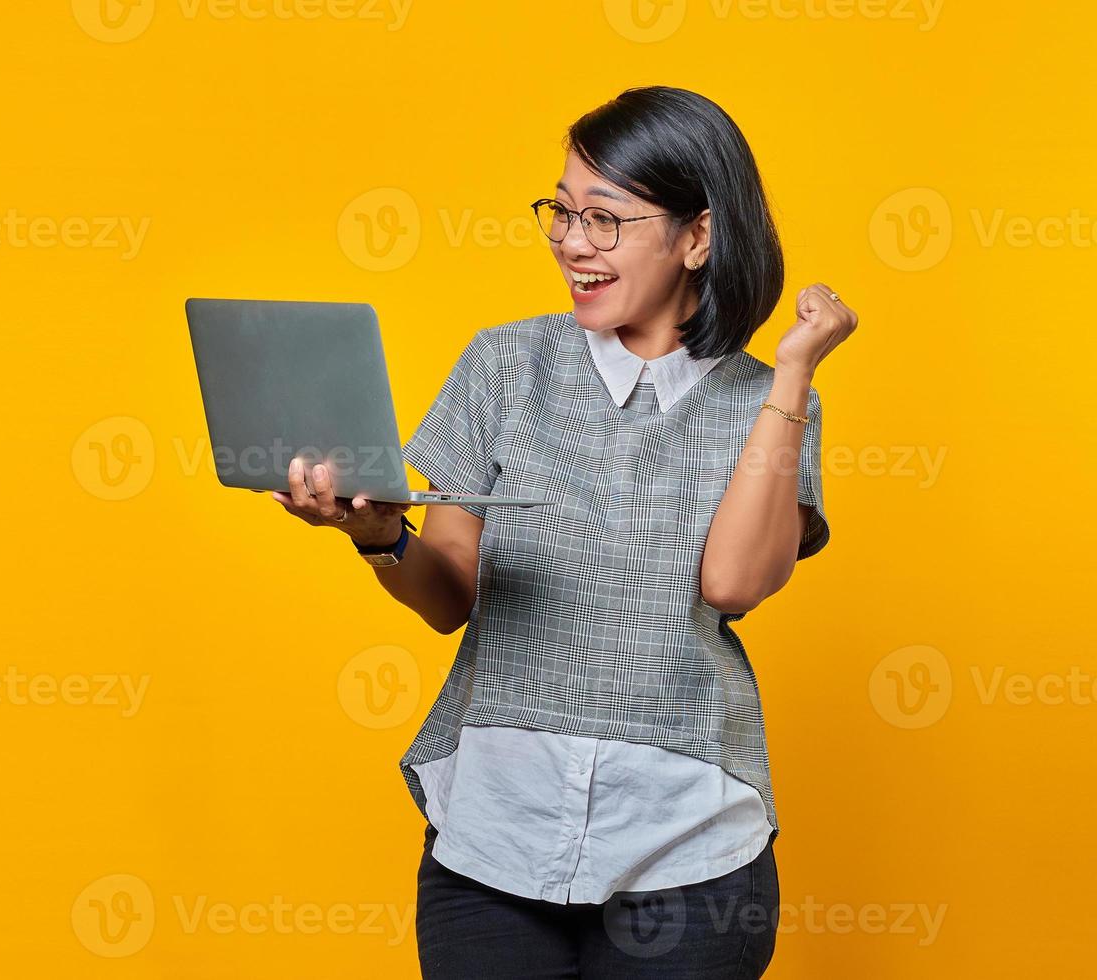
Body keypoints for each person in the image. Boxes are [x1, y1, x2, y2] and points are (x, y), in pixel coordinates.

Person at [268, 85, 858, 979]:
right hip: (496, 838)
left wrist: (793, 374)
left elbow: (735, 583)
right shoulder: (505, 364)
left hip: (686, 850)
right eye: (562, 210)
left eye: (606, 219)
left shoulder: (769, 402)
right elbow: (448, 596)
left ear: (698, 236)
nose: (572, 242)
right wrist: (382, 536)